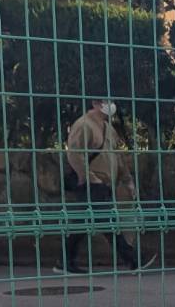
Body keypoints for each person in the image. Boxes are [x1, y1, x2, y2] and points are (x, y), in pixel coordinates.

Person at [60, 98, 153, 273]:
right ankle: (133, 260)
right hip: (92, 183)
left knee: (84, 223)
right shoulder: (83, 125)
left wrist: (127, 179)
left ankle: (65, 261)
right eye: (105, 101)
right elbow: (74, 154)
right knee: (108, 223)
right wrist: (89, 177)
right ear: (95, 104)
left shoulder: (108, 128)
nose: (110, 105)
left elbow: (117, 157)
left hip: (104, 183)